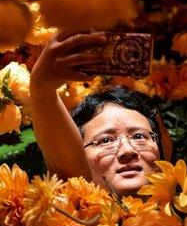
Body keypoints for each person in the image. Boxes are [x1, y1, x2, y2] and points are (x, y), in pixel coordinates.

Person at [28, 31, 168, 196]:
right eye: (106, 140)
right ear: (79, 153)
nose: (127, 150)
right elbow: (67, 164)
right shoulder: (75, 211)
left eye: (139, 136)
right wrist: (41, 88)